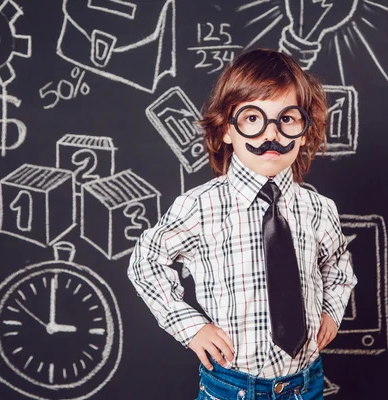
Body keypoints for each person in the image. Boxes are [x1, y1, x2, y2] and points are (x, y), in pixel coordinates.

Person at [127, 48, 357, 400]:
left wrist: (331, 311)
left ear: (305, 131)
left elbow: (338, 264)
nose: (272, 134)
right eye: (252, 118)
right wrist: (192, 328)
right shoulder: (200, 206)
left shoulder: (318, 209)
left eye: (287, 119)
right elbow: (146, 261)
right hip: (232, 387)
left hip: (305, 383)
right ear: (225, 131)